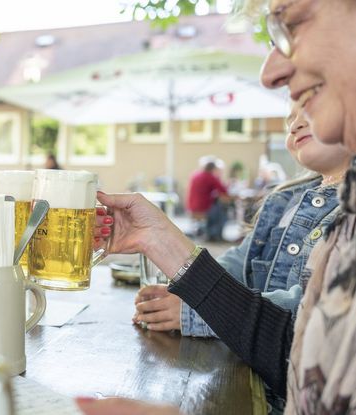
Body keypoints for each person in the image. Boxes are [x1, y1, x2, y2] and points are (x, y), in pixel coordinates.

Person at [78, 0, 356, 411]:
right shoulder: (287, 200)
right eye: (288, 116)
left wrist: (194, 308)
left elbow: (295, 335)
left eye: (293, 24)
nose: (270, 73)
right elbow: (299, 348)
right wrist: (170, 257)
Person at [135, 103, 352, 412]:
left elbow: (307, 311)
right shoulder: (284, 198)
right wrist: (189, 294)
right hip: (243, 378)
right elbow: (238, 261)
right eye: (290, 117)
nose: (293, 125)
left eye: (311, 106)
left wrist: (201, 311)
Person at [186, 157, 229, 242]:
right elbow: (223, 191)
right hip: (203, 208)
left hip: (191, 207)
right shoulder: (210, 177)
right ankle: (214, 235)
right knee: (222, 212)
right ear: (213, 169)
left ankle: (210, 233)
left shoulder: (195, 175)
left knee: (217, 208)